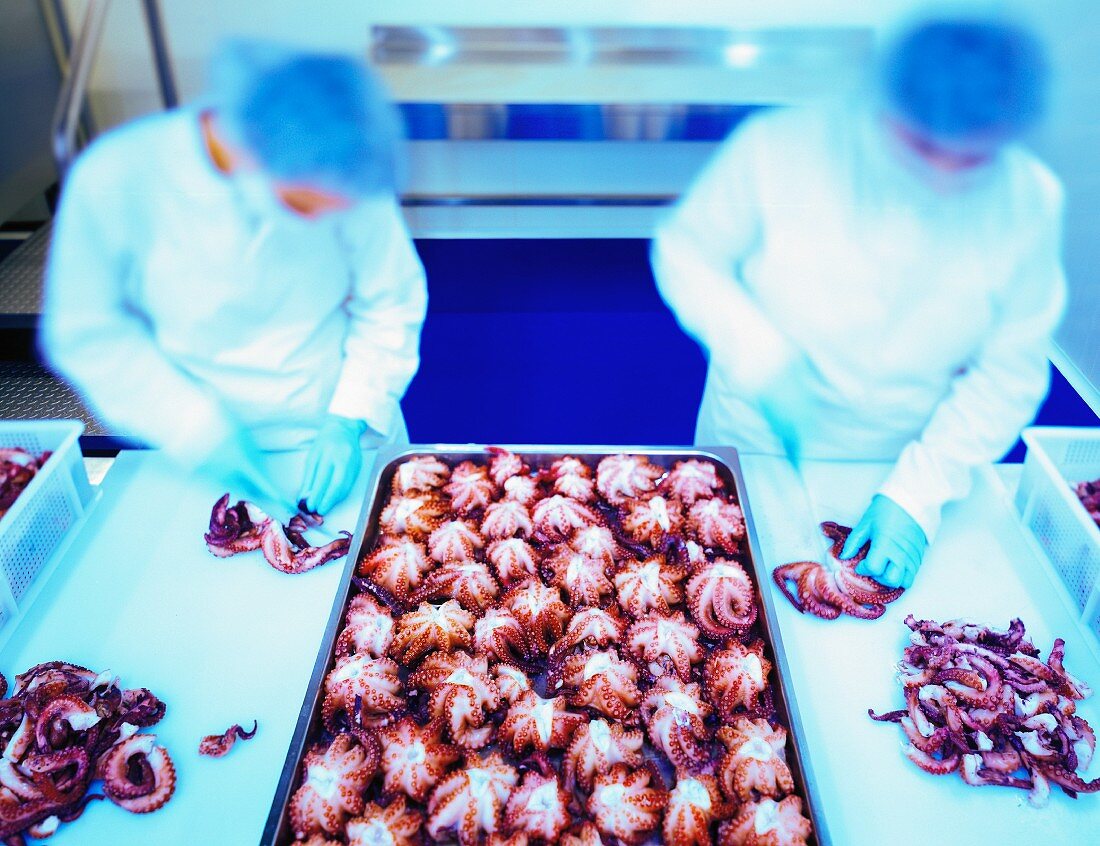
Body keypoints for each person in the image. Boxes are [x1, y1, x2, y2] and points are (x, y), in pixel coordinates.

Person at [652, 17, 1065, 590]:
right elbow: (687, 253)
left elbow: (1010, 370)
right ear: (883, 108)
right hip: (757, 436)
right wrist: (761, 358)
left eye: (970, 162)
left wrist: (918, 492)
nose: (942, 178)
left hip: (900, 449)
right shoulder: (779, 150)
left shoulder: (1027, 201)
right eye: (921, 147)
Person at [42, 40, 427, 519]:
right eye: (305, 207)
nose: (323, 219)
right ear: (250, 159)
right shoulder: (116, 178)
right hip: (199, 447)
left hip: (342, 416)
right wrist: (193, 428)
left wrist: (351, 415)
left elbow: (391, 299)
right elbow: (89, 333)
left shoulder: (344, 155)